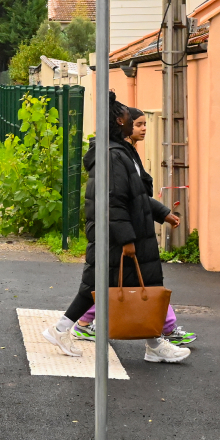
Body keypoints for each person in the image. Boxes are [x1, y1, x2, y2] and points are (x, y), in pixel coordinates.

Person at [42, 96, 188, 363]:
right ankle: (153, 344)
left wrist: (162, 213)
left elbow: (135, 196)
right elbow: (113, 200)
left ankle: (152, 343)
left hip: (123, 232)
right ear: (120, 121)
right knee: (131, 286)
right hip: (118, 236)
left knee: (117, 285)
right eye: (132, 118)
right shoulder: (112, 155)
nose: (136, 122)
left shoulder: (120, 150)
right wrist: (126, 240)